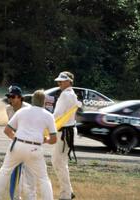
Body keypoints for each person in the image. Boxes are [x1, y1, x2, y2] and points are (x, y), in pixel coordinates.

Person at [0, 86, 37, 200]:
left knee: (29, 174)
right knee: (8, 171)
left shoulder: (29, 109)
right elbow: (10, 129)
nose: (9, 99)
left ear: (20, 98)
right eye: (8, 97)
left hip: (29, 144)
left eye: (12, 97)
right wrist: (15, 139)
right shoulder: (8, 109)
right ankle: (13, 197)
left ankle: (29, 197)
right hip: (16, 143)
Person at [51, 71, 79, 200]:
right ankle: (69, 192)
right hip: (68, 131)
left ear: (69, 81)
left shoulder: (65, 95)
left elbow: (57, 114)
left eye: (61, 81)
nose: (59, 83)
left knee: (58, 162)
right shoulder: (71, 94)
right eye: (58, 81)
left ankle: (66, 195)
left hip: (64, 132)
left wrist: (46, 123)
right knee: (61, 162)